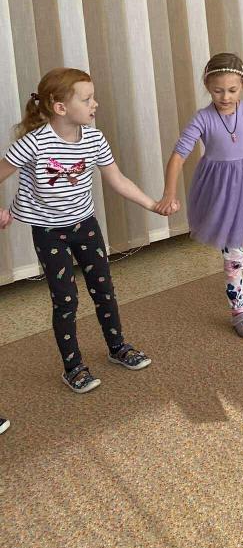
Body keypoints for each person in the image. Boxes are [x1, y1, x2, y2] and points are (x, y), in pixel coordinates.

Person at [0, 68, 170, 393]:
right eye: (87, 99)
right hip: (49, 232)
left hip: (85, 225)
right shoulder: (33, 144)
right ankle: (73, 367)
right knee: (66, 300)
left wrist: (153, 204)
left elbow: (117, 179)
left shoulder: (94, 139)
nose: (95, 104)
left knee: (104, 290)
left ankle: (117, 347)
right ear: (60, 107)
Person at [157, 53, 243, 338]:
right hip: (223, 194)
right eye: (218, 90)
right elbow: (178, 155)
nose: (225, 97)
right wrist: (168, 194)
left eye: (232, 90)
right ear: (208, 87)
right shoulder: (203, 118)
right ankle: (239, 310)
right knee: (234, 256)